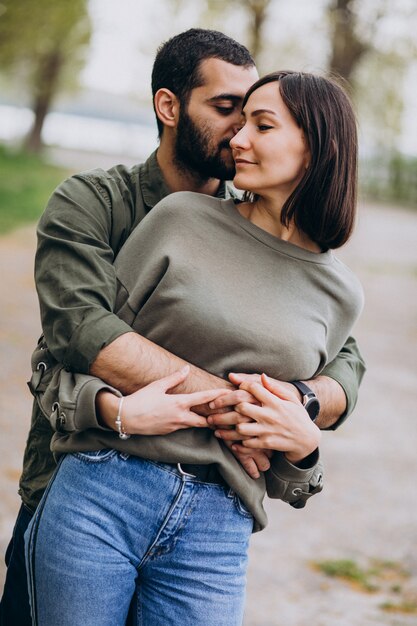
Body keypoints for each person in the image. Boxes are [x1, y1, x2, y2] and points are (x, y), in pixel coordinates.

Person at [0, 28, 365, 625]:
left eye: (256, 118)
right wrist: (232, 408)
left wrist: (301, 413)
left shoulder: (319, 268)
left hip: (216, 517)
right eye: (228, 111)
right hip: (89, 485)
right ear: (169, 107)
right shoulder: (102, 205)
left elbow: (343, 357)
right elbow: (78, 335)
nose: (240, 134)